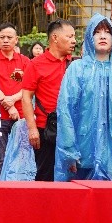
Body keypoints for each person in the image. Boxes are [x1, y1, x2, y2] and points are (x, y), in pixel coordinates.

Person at [55, 15, 112, 180]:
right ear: (89, 37)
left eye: (107, 32)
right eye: (97, 32)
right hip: (83, 149)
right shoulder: (77, 69)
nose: (102, 36)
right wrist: (69, 150)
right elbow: (65, 110)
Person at [21, 19, 75, 181]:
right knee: (46, 174)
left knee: (72, 174)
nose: (74, 41)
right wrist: (32, 128)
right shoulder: (36, 64)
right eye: (70, 36)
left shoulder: (75, 64)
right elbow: (26, 96)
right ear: (55, 38)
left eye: (74, 37)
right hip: (46, 129)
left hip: (71, 128)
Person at [0, 22, 31, 168]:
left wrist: (13, 100)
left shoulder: (25, 61)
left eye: (9, 37)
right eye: (2, 37)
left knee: (20, 158)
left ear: (16, 39)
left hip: (21, 116)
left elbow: (29, 87)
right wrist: (9, 107)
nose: (5, 40)